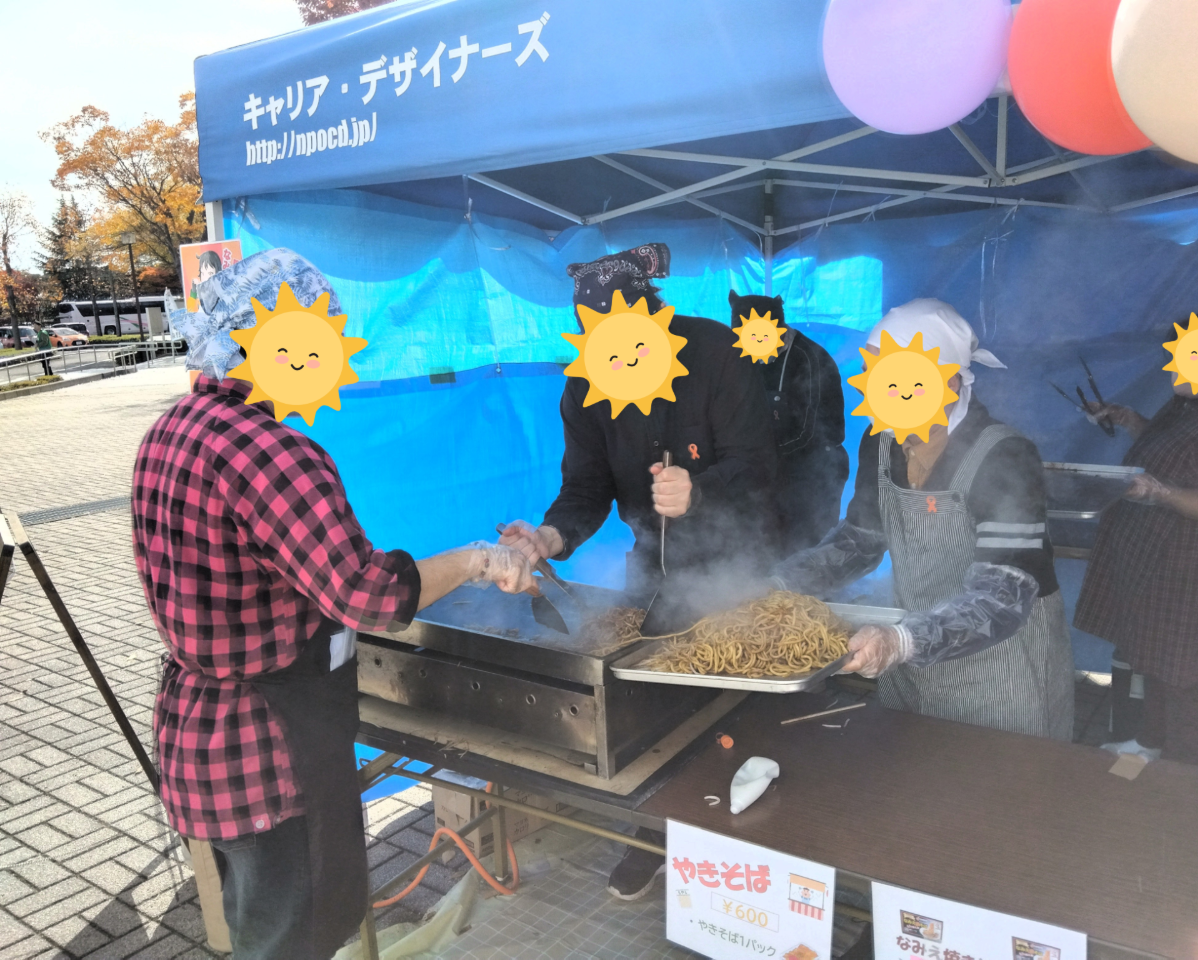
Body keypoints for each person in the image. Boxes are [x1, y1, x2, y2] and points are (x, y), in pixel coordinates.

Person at [137, 254, 537, 960]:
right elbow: (369, 595)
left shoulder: (172, 429)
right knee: (295, 939)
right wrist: (479, 560)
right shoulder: (271, 452)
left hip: (197, 735)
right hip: (267, 753)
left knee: (260, 928)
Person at [500, 243, 778, 901]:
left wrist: (700, 491)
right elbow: (585, 486)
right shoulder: (584, 384)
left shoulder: (718, 355)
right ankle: (656, 837)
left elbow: (760, 464)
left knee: (737, 707)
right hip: (651, 563)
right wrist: (551, 536)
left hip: (738, 560)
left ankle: (751, 837)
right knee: (654, 707)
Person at [774, 299, 1075, 739]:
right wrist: (778, 584)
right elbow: (860, 541)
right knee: (914, 767)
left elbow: (1003, 597)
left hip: (1001, 665)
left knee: (997, 779)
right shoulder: (881, 442)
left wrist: (902, 641)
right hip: (911, 662)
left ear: (949, 380)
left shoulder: (1004, 455)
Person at [1074, 304, 1198, 765]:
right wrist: (1126, 418)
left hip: (1196, 575)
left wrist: (1159, 492)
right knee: (1153, 659)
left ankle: (1184, 774)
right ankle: (1148, 743)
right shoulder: (1195, 402)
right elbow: (1169, 445)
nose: (1174, 365)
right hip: (1160, 566)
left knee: (1184, 675)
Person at [728, 291, 849, 554]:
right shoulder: (740, 355)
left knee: (803, 554)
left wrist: (759, 458)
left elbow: (813, 431)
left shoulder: (809, 359)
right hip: (765, 473)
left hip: (813, 474)